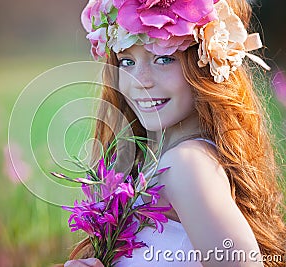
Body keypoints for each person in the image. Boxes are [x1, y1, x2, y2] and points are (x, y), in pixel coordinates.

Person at [62, 0, 286, 266]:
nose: (140, 80)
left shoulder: (184, 165)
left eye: (164, 58)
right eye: (127, 61)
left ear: (206, 62)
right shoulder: (171, 161)